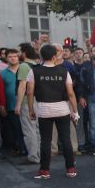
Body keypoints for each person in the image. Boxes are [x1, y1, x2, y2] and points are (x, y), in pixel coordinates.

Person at [26, 44, 78, 179]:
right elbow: (71, 93)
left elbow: (30, 92)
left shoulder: (34, 71)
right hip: (62, 109)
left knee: (46, 141)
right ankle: (71, 168)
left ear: (41, 56)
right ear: (54, 56)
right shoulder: (63, 71)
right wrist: (75, 110)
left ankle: (44, 170)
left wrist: (31, 109)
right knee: (66, 139)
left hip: (44, 109)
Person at [15, 43, 43, 164]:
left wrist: (18, 104)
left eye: (19, 52)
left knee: (29, 130)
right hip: (39, 100)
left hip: (28, 101)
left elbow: (22, 86)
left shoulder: (24, 66)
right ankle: (40, 154)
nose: (17, 54)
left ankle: (33, 157)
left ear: (24, 52)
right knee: (37, 129)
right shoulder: (37, 65)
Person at [0, 50, 23, 153]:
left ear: (18, 58)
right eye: (10, 56)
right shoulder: (2, 73)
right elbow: (0, 91)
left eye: (15, 56)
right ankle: (18, 148)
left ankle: (26, 148)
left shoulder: (25, 70)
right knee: (15, 129)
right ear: (6, 58)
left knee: (25, 129)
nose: (13, 58)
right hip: (10, 105)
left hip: (25, 105)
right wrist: (2, 105)